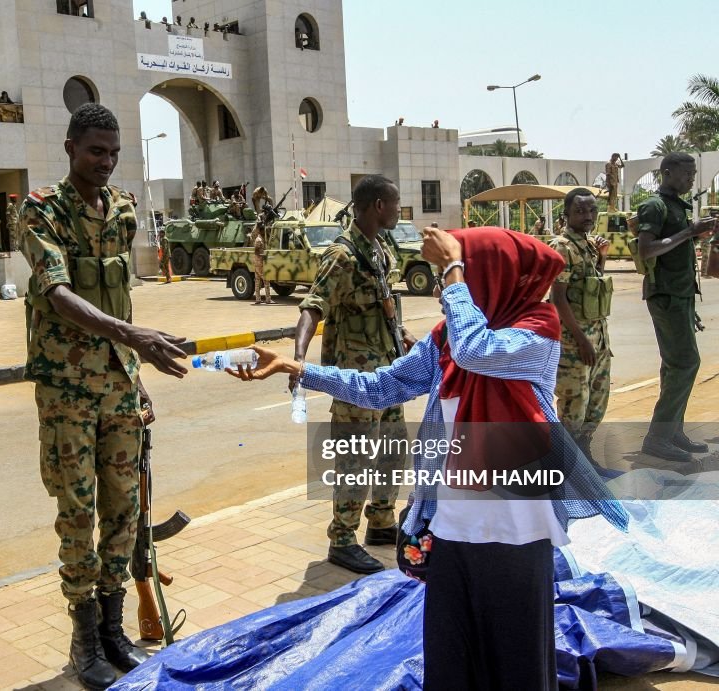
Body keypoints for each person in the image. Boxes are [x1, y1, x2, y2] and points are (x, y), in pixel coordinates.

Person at [231, 226, 627, 691]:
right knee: (452, 657)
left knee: (516, 661)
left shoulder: (537, 330)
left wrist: (454, 271)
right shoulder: (445, 341)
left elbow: (478, 351)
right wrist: (299, 369)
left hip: (517, 533)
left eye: (456, 273)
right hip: (454, 528)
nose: (443, 287)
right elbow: (381, 387)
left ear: (490, 278)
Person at [17, 102, 188, 690]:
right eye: (96, 151)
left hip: (119, 382)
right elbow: (58, 291)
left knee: (123, 512)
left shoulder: (121, 209)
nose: (107, 162)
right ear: (70, 147)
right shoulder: (42, 210)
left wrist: (137, 362)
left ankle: (114, 633)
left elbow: (119, 297)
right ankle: (84, 638)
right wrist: (130, 335)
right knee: (77, 516)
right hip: (67, 389)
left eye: (114, 152)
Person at [292, 174, 410, 574]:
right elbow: (313, 306)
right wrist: (299, 359)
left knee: (394, 450)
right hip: (357, 376)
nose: (398, 209)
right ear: (378, 205)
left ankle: (381, 522)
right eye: (395, 203)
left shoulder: (379, 248)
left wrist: (402, 333)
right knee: (356, 455)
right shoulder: (342, 256)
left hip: (388, 369)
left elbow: (384, 300)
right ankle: (342, 539)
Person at [637, 152, 718, 461]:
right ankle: (658, 437)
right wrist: (690, 232)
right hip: (665, 296)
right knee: (685, 363)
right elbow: (646, 250)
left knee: (675, 365)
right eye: (686, 174)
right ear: (667, 172)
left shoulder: (675, 206)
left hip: (679, 297)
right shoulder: (655, 207)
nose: (691, 180)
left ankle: (672, 432)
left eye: (693, 175)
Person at [550, 189, 612, 462]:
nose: (587, 216)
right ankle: (565, 467)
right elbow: (557, 297)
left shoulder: (588, 244)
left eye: (591, 211)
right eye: (580, 211)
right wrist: (581, 339)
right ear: (566, 215)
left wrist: (602, 256)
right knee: (574, 405)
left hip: (597, 338)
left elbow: (592, 288)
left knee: (596, 402)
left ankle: (583, 457)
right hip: (574, 343)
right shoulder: (562, 246)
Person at [251, 221, 271, 305]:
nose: (264, 232)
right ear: (261, 231)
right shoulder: (259, 240)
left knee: (258, 281)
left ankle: (258, 299)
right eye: (263, 230)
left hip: (258, 262)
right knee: (265, 281)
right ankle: (267, 299)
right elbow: (256, 251)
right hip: (259, 263)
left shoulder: (262, 238)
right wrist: (264, 255)